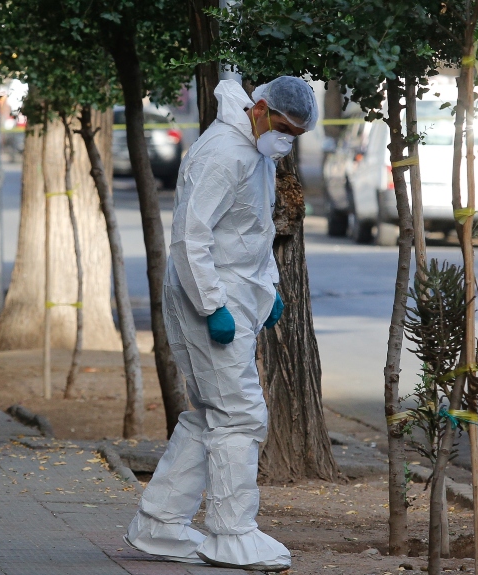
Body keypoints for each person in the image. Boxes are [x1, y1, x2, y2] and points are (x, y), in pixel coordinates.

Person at [124, 76, 317, 571]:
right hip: (209, 299)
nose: (287, 138)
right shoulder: (222, 153)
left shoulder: (256, 153)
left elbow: (252, 231)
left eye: (296, 133)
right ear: (259, 108)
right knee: (240, 415)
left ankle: (160, 522)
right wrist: (213, 306)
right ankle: (232, 534)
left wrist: (269, 287)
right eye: (283, 126)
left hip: (235, 295)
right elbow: (191, 238)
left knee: (212, 414)